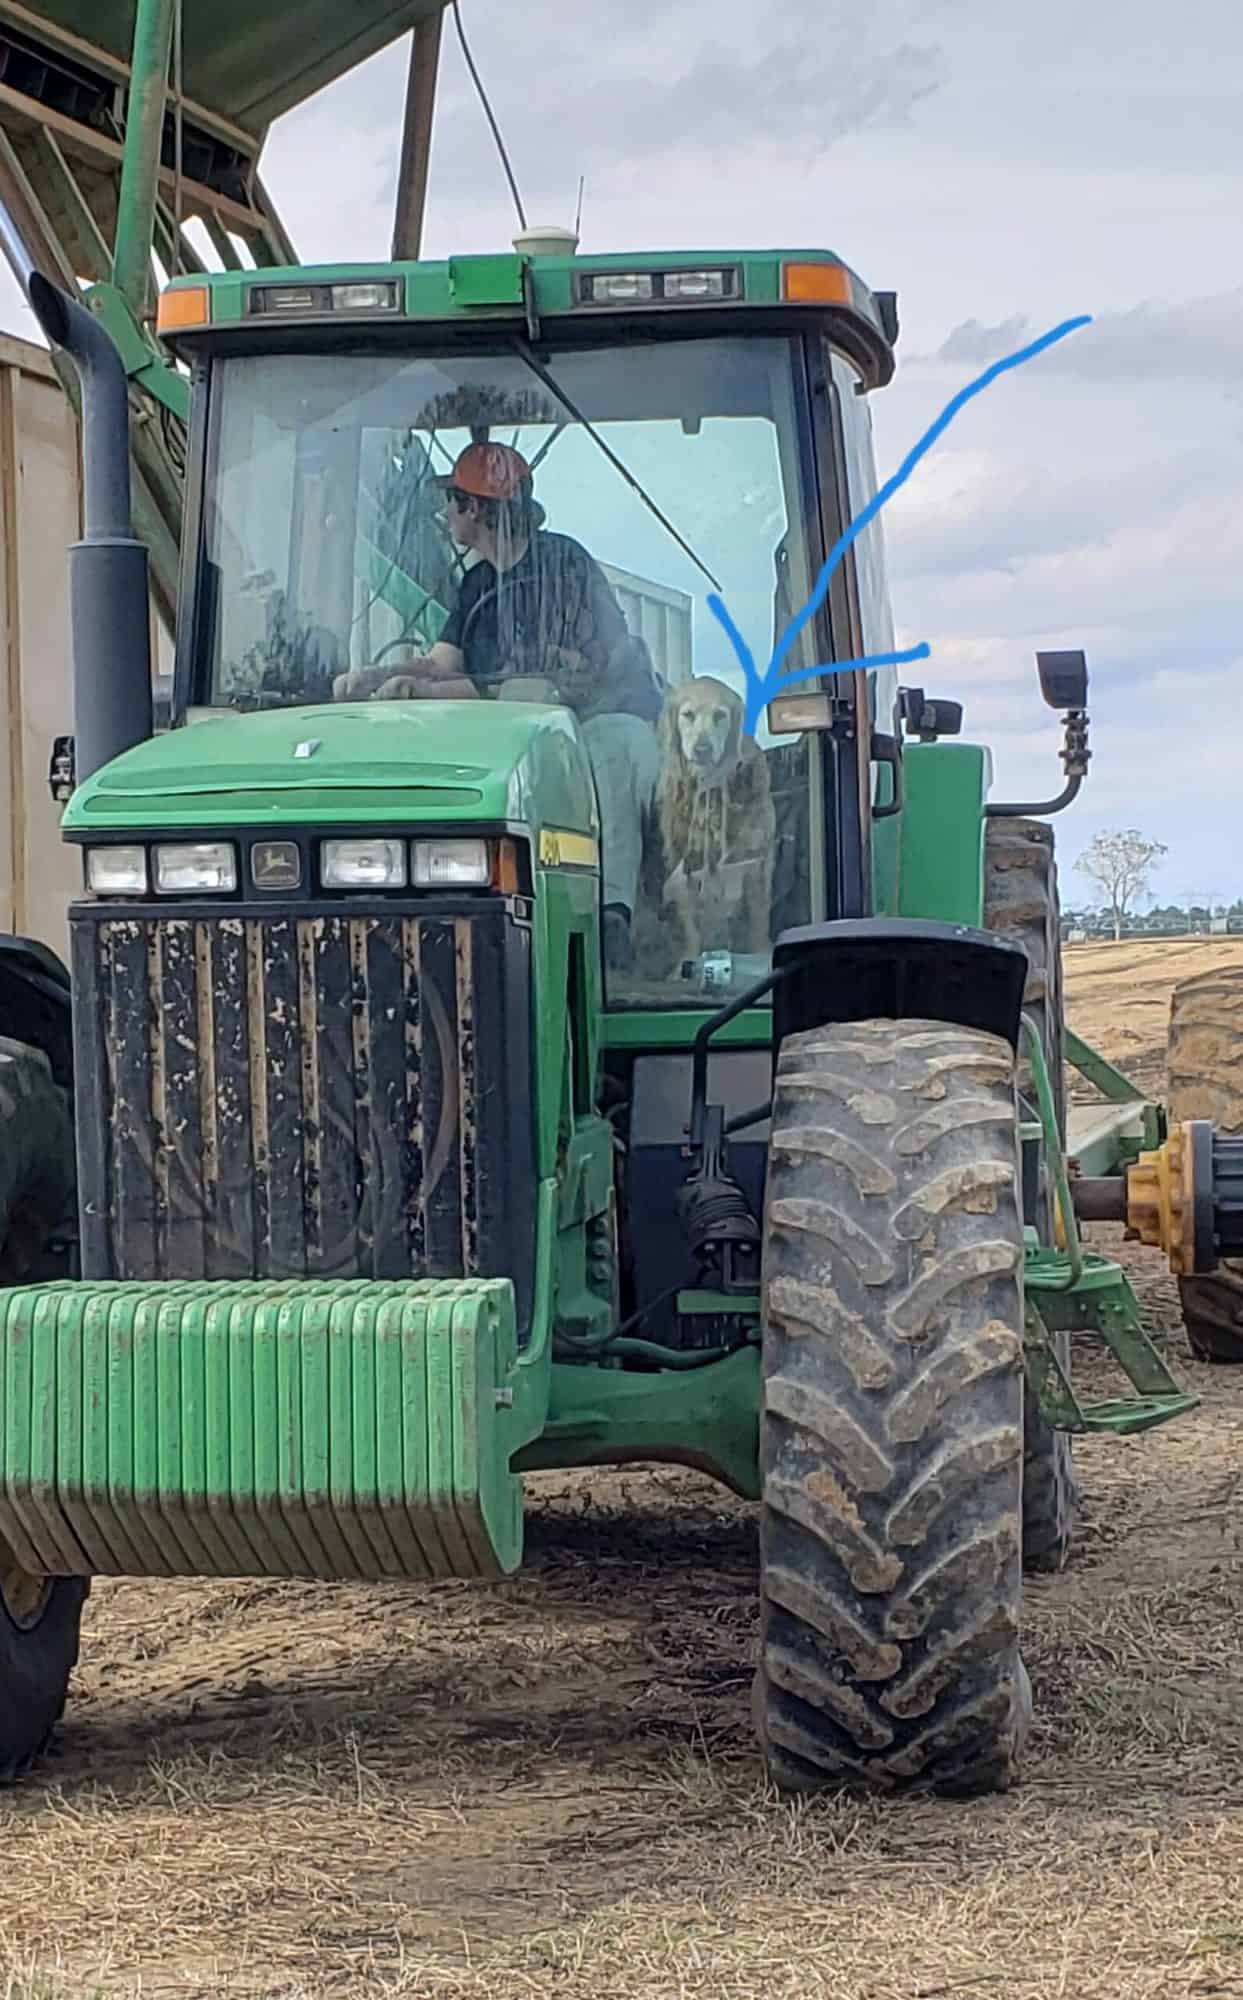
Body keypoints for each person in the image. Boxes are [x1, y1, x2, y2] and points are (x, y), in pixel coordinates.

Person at [336, 441, 661, 970]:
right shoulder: (477, 582)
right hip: (519, 739)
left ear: (475, 510)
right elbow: (442, 664)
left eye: (453, 502)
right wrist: (379, 676)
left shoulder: (564, 565)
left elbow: (539, 686)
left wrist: (429, 692)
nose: (445, 515)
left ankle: (612, 917)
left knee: (608, 755)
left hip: (596, 717)